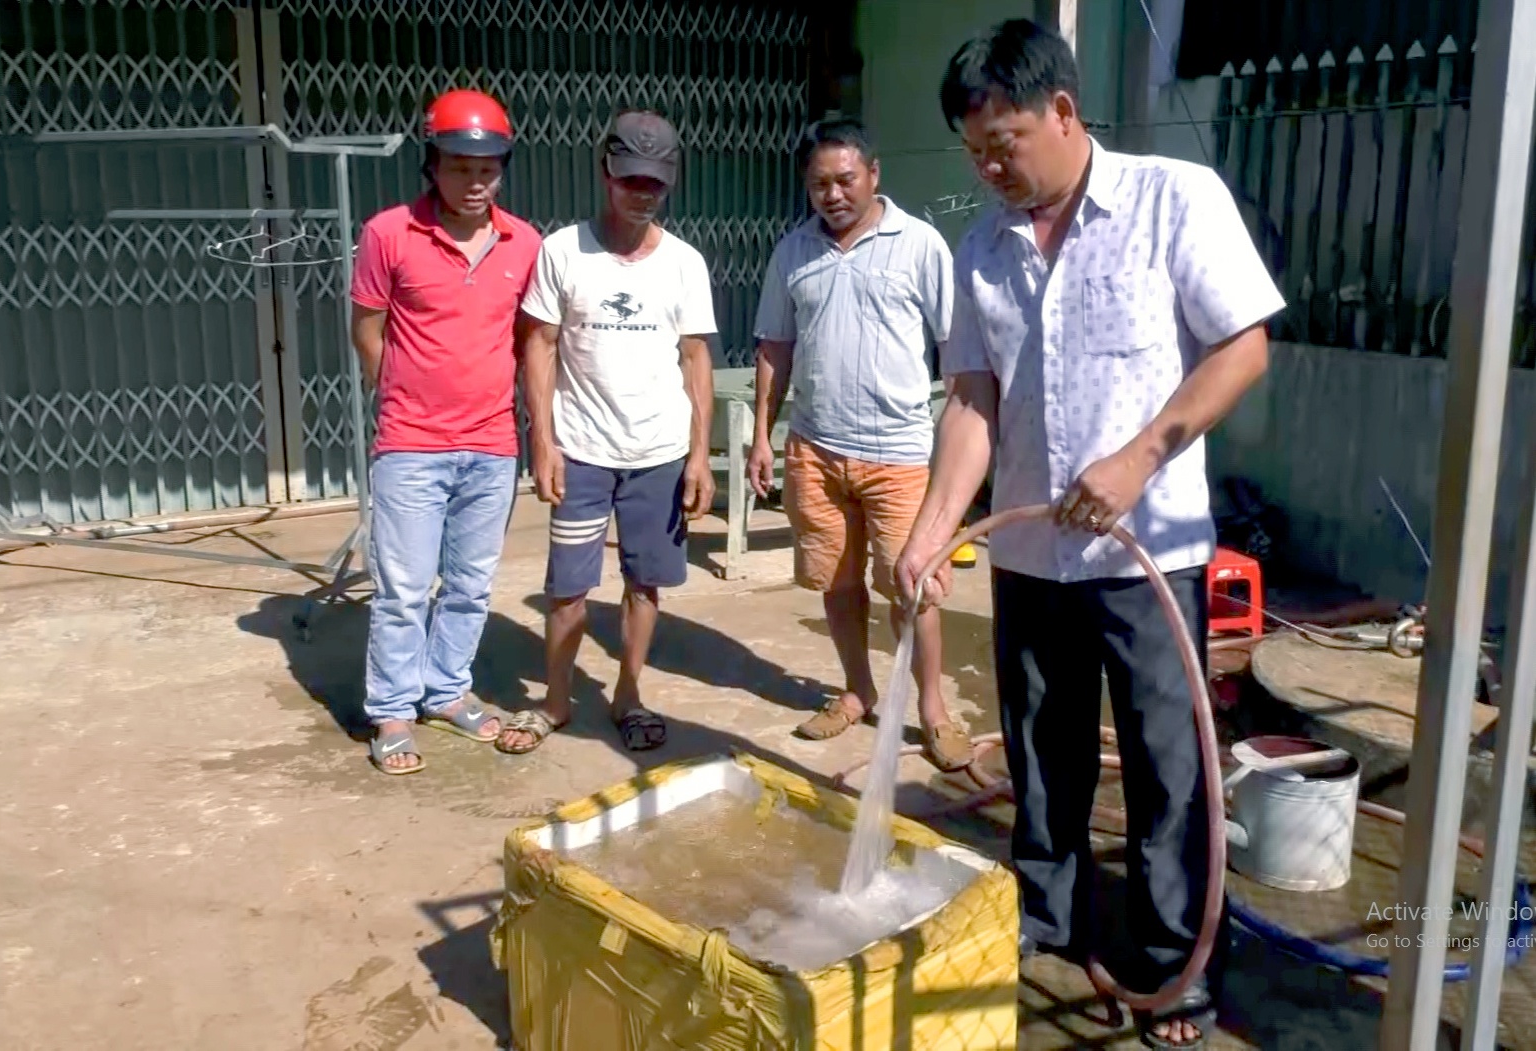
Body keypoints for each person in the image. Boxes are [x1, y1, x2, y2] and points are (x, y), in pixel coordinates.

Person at [895, 20, 1284, 1049]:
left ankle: (1174, 965)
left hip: (1147, 554)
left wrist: (1139, 456)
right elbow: (972, 403)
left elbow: (1242, 346)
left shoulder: (1170, 200)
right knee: (1039, 752)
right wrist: (932, 530)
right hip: (1029, 556)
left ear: (1063, 112)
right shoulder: (980, 251)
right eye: (972, 150)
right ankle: (1047, 919)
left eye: (1005, 142)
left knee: (1168, 766)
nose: (988, 167)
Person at [745, 117, 972, 771]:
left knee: (914, 589)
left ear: (873, 174)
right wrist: (764, 434)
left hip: (898, 452)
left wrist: (961, 444)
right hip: (814, 447)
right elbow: (774, 348)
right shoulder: (792, 252)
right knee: (837, 583)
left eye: (845, 178)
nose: (832, 193)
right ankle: (855, 689)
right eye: (819, 183)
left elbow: (956, 348)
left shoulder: (920, 245)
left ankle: (932, 710)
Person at [500, 108, 717, 755]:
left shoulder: (683, 263)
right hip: (582, 451)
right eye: (629, 180)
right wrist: (541, 438)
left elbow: (695, 358)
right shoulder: (563, 251)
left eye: (653, 182)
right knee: (567, 585)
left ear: (669, 182)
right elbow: (536, 344)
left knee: (644, 581)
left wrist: (700, 456)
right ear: (605, 172)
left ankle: (627, 692)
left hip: (659, 453)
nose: (641, 193)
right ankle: (557, 701)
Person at [348, 89, 542, 775]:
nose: (475, 180)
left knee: (469, 583)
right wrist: (399, 388)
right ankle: (393, 709)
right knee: (402, 586)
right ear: (431, 164)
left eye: (487, 167)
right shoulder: (387, 233)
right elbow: (367, 327)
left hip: (491, 446)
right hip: (411, 443)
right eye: (459, 166)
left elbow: (527, 341)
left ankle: (447, 689)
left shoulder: (525, 243)